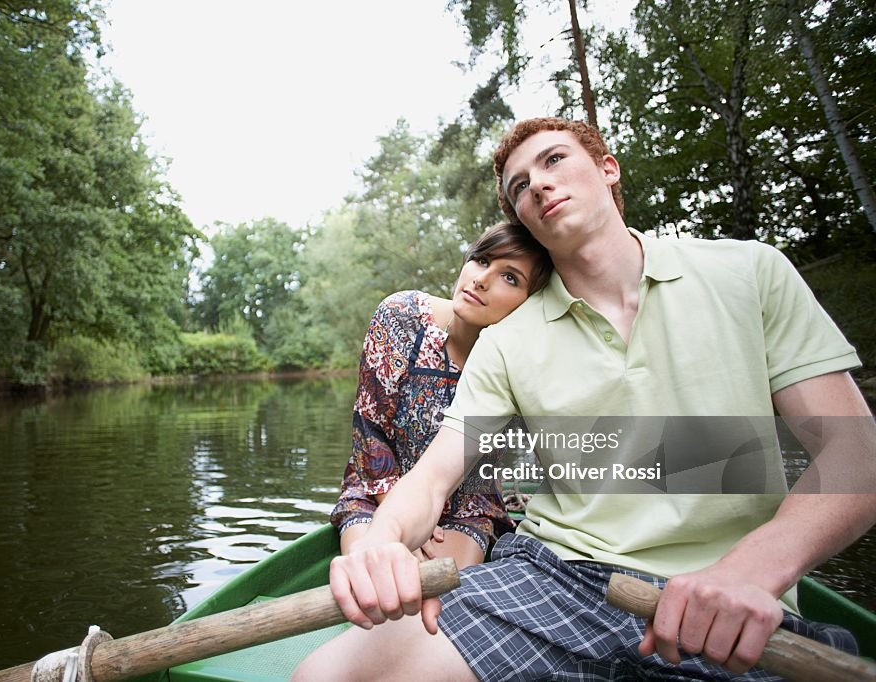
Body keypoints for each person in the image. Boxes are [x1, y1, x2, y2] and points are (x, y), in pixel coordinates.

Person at [294, 117, 876, 681]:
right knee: (324, 676)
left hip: (717, 600)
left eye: (553, 160)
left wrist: (751, 571)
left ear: (607, 168)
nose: (538, 183)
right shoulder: (506, 342)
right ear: (521, 216)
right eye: (519, 186)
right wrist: (385, 541)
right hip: (552, 580)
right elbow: (434, 477)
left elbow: (856, 450)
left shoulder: (749, 274)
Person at [332, 221, 551, 570]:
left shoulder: (524, 360)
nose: (481, 278)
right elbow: (368, 432)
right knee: (373, 578)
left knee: (439, 596)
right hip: (376, 493)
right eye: (481, 260)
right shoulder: (401, 316)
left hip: (468, 506)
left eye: (510, 277)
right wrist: (402, 518)